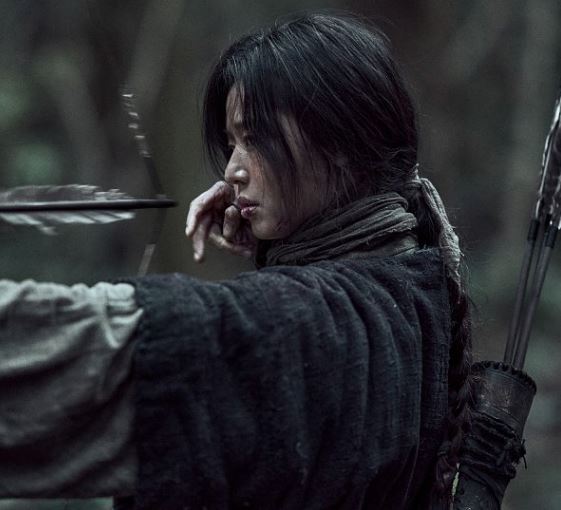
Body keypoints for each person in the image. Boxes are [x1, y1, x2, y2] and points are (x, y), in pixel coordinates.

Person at [0, 12, 472, 510]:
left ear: (339, 143)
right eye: (231, 144)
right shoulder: (412, 285)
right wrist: (282, 236)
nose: (231, 170)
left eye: (255, 139)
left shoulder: (316, 326)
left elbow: (213, 335)